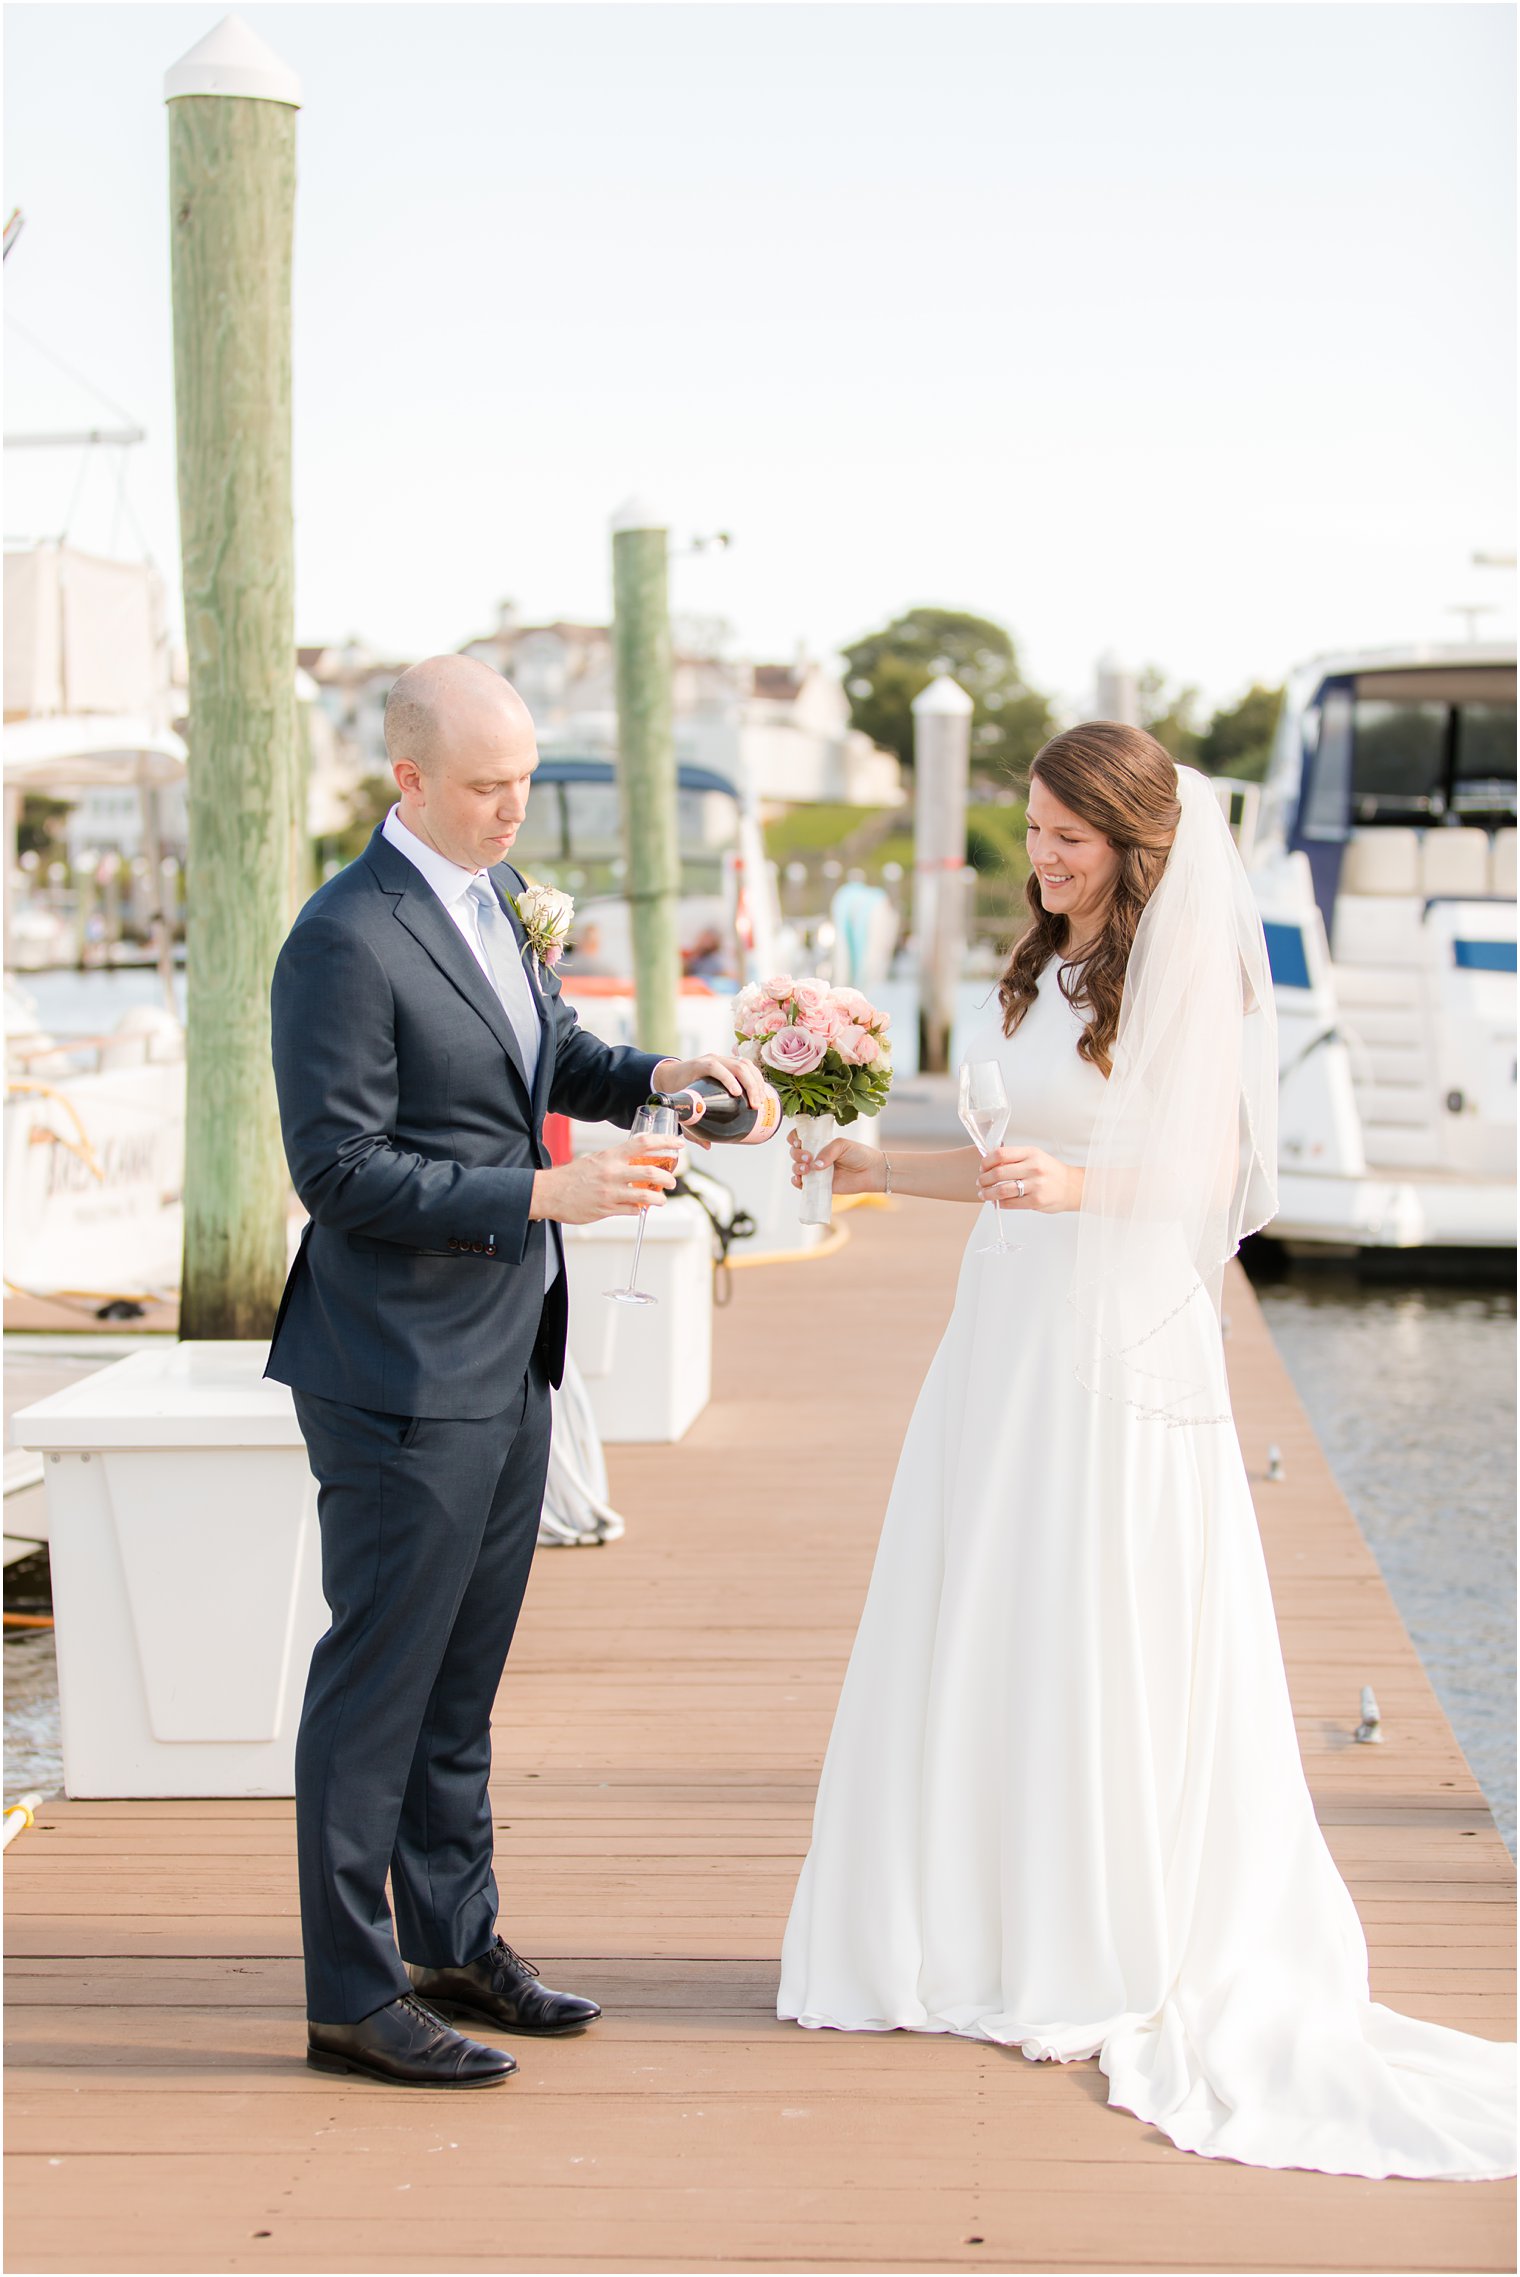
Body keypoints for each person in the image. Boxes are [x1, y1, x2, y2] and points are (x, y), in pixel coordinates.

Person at [777, 723, 1515, 2180]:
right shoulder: (1035, 968)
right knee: (982, 1610)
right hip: (1005, 1337)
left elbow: (1213, 1181)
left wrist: (1082, 1183)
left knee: (1091, 1612)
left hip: (1117, 1346)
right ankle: (969, 1917)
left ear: (1133, 841)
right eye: (1035, 828)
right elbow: (1007, 1167)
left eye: (1070, 836)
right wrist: (871, 1163)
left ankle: (1092, 1925)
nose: (1043, 857)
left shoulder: (1179, 976)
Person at [268, 654, 766, 2090]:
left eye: (525, 782)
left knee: (459, 1687)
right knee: (376, 1689)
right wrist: (545, 1194)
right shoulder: (343, 939)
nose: (514, 811)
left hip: (506, 1358)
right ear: (407, 780)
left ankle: (452, 1938)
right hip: (396, 1370)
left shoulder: (493, 907)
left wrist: (670, 1077)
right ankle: (349, 1997)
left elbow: (549, 1055)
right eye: (489, 787)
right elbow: (338, 1170)